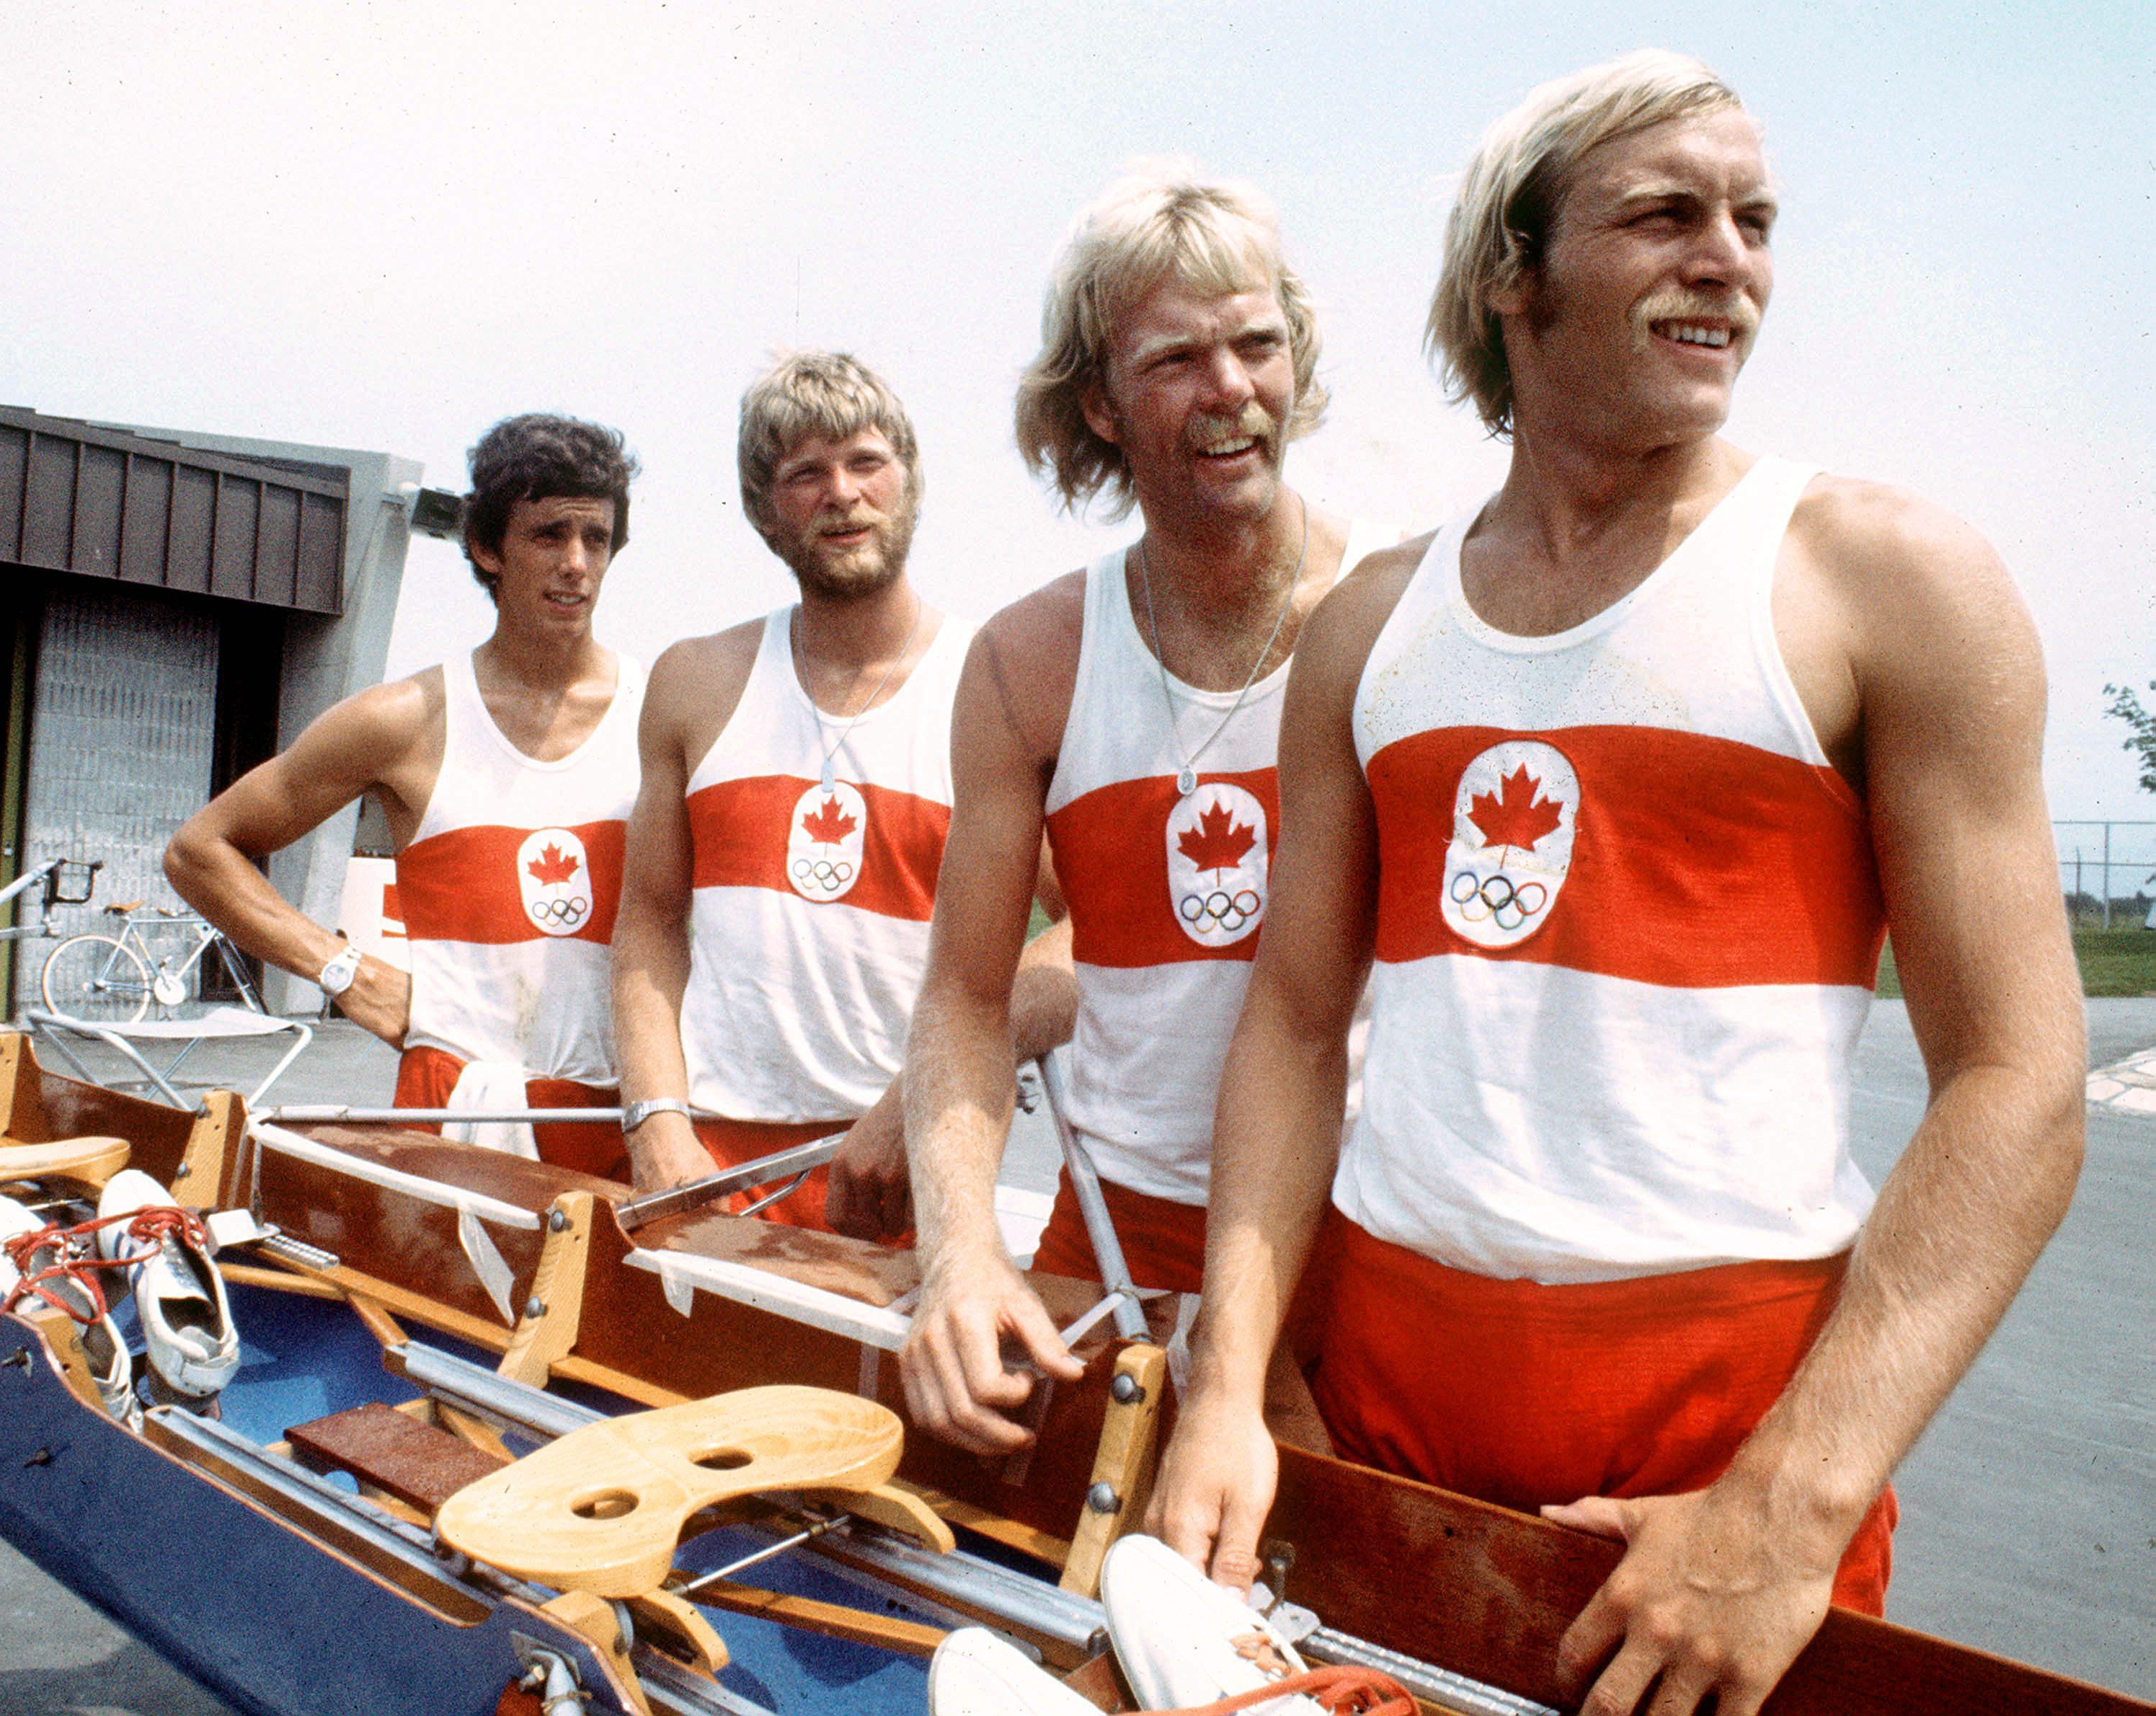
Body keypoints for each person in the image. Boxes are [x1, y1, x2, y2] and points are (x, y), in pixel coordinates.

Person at [1148, 51, 2086, 1716]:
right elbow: (1292, 1027)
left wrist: (1785, 1512)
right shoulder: (1367, 628)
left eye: (1752, 219)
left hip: (1715, 1442)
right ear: (1510, 272)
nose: (1726, 256)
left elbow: (2015, 1081)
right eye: (1661, 214)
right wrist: (1232, 1377)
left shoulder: (1877, 579)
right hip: (1380, 1401)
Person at [900, 167, 1398, 1454]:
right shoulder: (1028, 662)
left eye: (1258, 344)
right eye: (1176, 357)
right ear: (1100, 406)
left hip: (1375, 1239)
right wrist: (960, 1256)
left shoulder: (1410, 618)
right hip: (1118, 1225)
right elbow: (965, 997)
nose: (1230, 388)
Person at [611, 351, 1072, 1241]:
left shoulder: (1001, 684)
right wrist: (657, 1122)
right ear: (762, 510)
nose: (842, 493)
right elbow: (649, 926)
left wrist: (917, 1098)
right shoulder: (695, 681)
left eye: (866, 462)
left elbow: (1094, 935)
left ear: (909, 481)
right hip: (713, 1165)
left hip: (910, 1167)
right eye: (804, 474)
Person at [166, 415, 647, 1178]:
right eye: (550, 535)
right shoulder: (405, 719)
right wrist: (343, 972)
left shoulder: (660, 716)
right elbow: (199, 852)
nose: (578, 564)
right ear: (488, 547)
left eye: (597, 538)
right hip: (456, 1099)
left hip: (622, 1105)